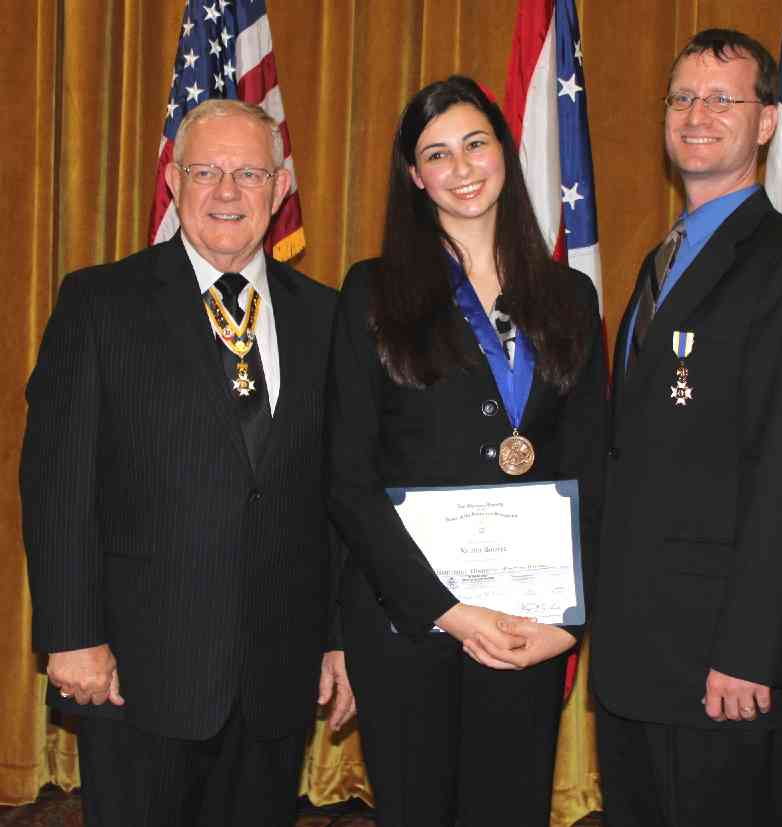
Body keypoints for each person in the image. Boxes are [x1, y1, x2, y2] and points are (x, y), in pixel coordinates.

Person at [20, 99, 354, 827]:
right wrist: (71, 634)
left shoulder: (328, 317)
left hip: (276, 675)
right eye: (206, 172)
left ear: (279, 187)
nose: (227, 191)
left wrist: (338, 637)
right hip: (136, 671)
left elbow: (337, 496)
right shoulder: (99, 302)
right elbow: (57, 483)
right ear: (174, 181)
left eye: (248, 173)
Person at [327, 76, 607, 826]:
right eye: (437, 154)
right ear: (415, 177)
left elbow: (593, 466)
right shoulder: (371, 293)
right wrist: (446, 610)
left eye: (475, 143)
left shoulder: (570, 297)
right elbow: (347, 478)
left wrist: (568, 622)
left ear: (504, 153)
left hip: (525, 624)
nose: (461, 167)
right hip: (406, 622)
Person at [585, 29, 782, 826]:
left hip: (725, 672)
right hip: (640, 663)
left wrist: (746, 650)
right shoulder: (663, 260)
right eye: (682, 97)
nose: (696, 114)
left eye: (722, 98)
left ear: (765, 122)